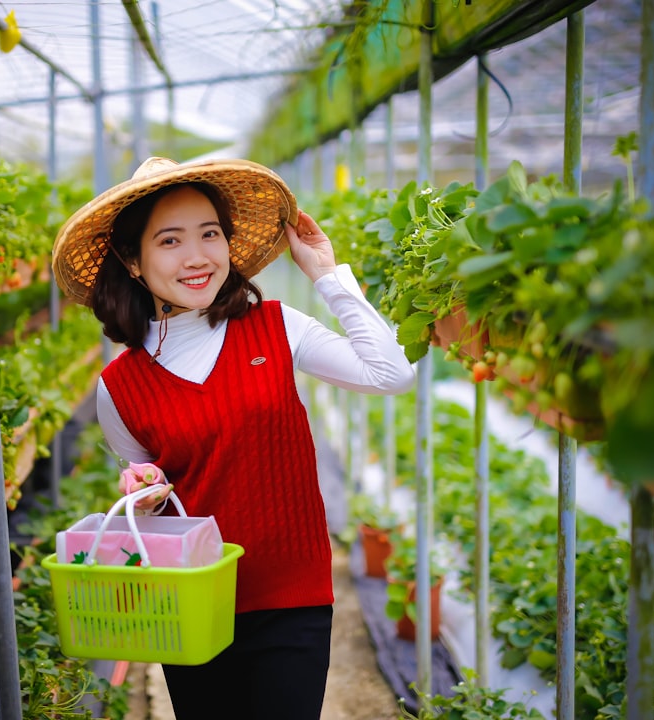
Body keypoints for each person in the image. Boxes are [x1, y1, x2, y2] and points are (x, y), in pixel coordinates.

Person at [51, 156, 415, 719]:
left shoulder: (276, 325)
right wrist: (145, 495)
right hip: (192, 606)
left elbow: (390, 374)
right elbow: (153, 509)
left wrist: (326, 273)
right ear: (133, 260)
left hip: (293, 597)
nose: (197, 257)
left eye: (210, 234)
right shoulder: (118, 389)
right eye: (170, 240)